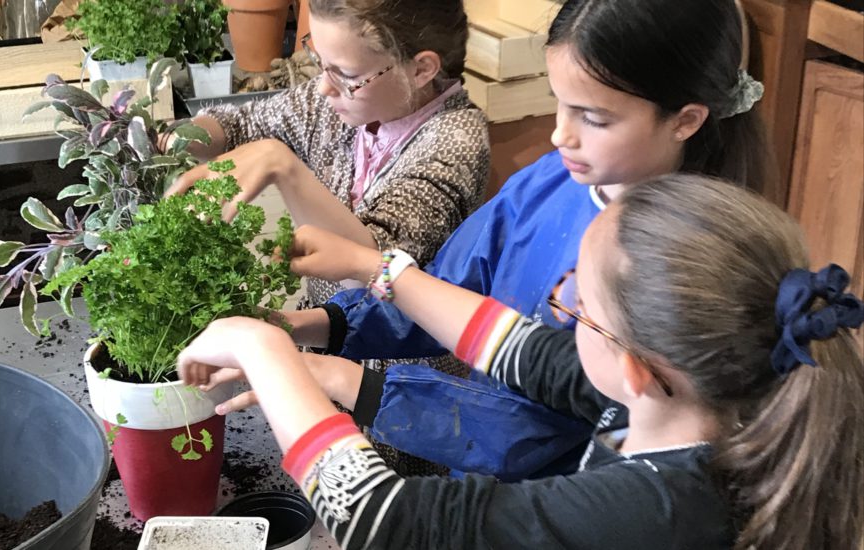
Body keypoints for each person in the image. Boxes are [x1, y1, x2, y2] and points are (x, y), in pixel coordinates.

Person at [207, 0, 772, 479]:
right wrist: (317, 325)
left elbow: (537, 430)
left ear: (685, 120)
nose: (559, 133)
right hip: (473, 471)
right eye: (559, 102)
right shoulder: (550, 180)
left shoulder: (679, 268)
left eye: (593, 118)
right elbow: (440, 293)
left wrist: (339, 377)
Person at [179, 176, 864, 549]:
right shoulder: (685, 405)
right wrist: (374, 269)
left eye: (577, 303)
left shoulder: (667, 507)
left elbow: (383, 520)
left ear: (639, 371)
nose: (556, 301)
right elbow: (517, 348)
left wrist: (262, 346)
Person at [165, 0, 489, 316]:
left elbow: (371, 272)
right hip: (325, 336)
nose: (323, 88)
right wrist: (167, 139)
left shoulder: (456, 140)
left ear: (421, 69)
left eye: (345, 73)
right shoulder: (342, 103)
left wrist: (283, 166)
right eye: (319, 61)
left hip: (395, 366)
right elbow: (241, 124)